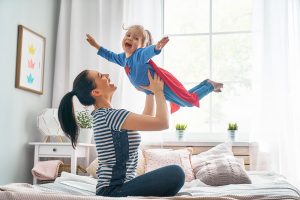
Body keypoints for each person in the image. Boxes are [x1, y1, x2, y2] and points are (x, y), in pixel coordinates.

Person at [58, 69, 185, 197]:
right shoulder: (110, 116)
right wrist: (158, 91)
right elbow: (162, 123)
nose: (107, 74)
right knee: (176, 173)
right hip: (114, 189)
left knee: (173, 176)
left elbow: (147, 117)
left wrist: (149, 92)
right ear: (96, 92)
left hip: (116, 187)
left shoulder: (104, 115)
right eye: (101, 76)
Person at [86, 25, 223, 113]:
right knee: (184, 98)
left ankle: (210, 85)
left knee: (187, 101)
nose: (130, 39)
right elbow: (110, 56)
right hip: (154, 90)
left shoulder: (139, 55)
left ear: (141, 45)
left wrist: (157, 47)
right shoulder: (123, 58)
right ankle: (206, 83)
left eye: (135, 38)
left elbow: (148, 52)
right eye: (128, 35)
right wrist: (96, 45)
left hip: (161, 86)